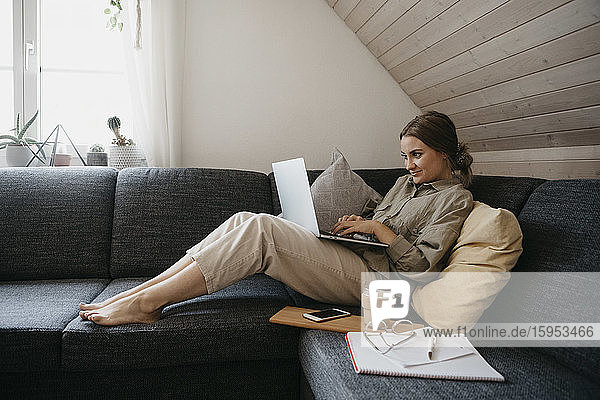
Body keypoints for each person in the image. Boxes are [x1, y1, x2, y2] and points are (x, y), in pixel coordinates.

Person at [79, 111, 474, 326]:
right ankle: (139, 291)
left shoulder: (456, 199)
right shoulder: (406, 186)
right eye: (405, 156)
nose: (408, 165)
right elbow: (381, 221)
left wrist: (379, 229)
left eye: (417, 154)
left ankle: (148, 303)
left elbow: (420, 267)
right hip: (358, 257)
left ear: (444, 152)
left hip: (383, 285)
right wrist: (360, 222)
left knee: (261, 230)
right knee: (242, 218)